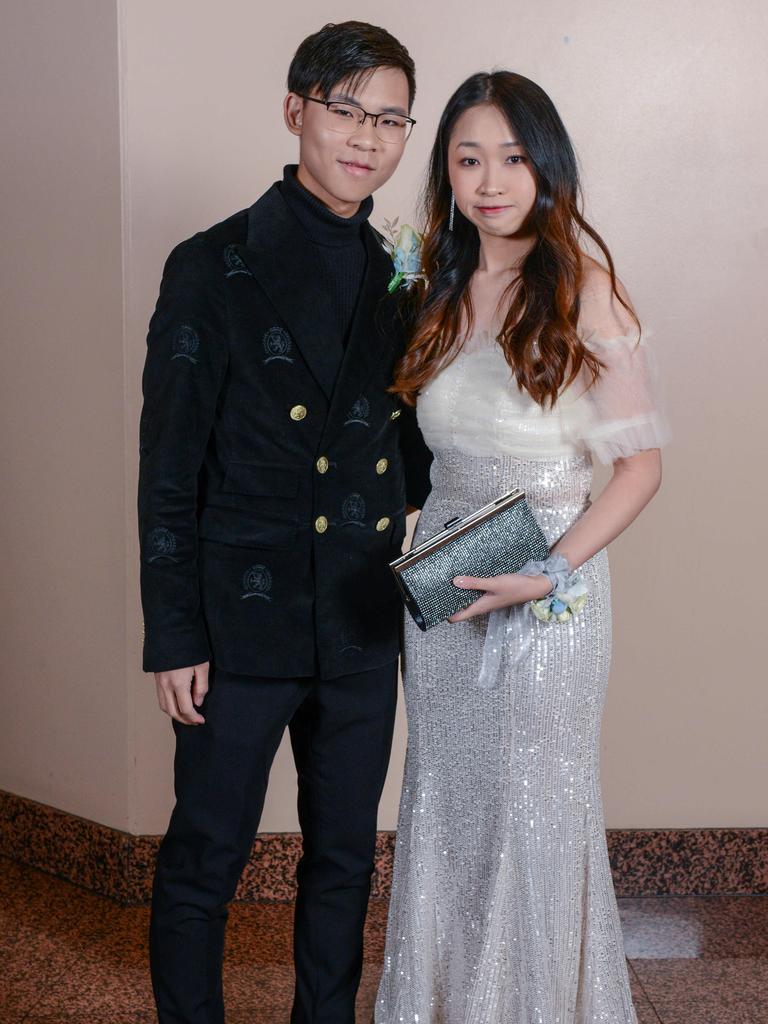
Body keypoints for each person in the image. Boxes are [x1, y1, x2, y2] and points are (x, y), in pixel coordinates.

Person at [138, 21, 432, 1024]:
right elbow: (168, 468)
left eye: (390, 117)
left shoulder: (406, 281)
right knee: (204, 855)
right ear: (296, 111)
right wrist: (175, 632)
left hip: (356, 621)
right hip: (238, 622)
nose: (367, 136)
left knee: (345, 853)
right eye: (347, 109)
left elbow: (421, 455)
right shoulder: (210, 265)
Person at [375, 71, 669, 1023]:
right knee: (446, 806)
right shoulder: (435, 279)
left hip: (551, 587)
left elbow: (639, 470)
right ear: (446, 172)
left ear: (546, 165)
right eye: (468, 158)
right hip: (450, 578)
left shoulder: (585, 286)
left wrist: (546, 573)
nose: (491, 179)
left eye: (511, 156)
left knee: (533, 811)